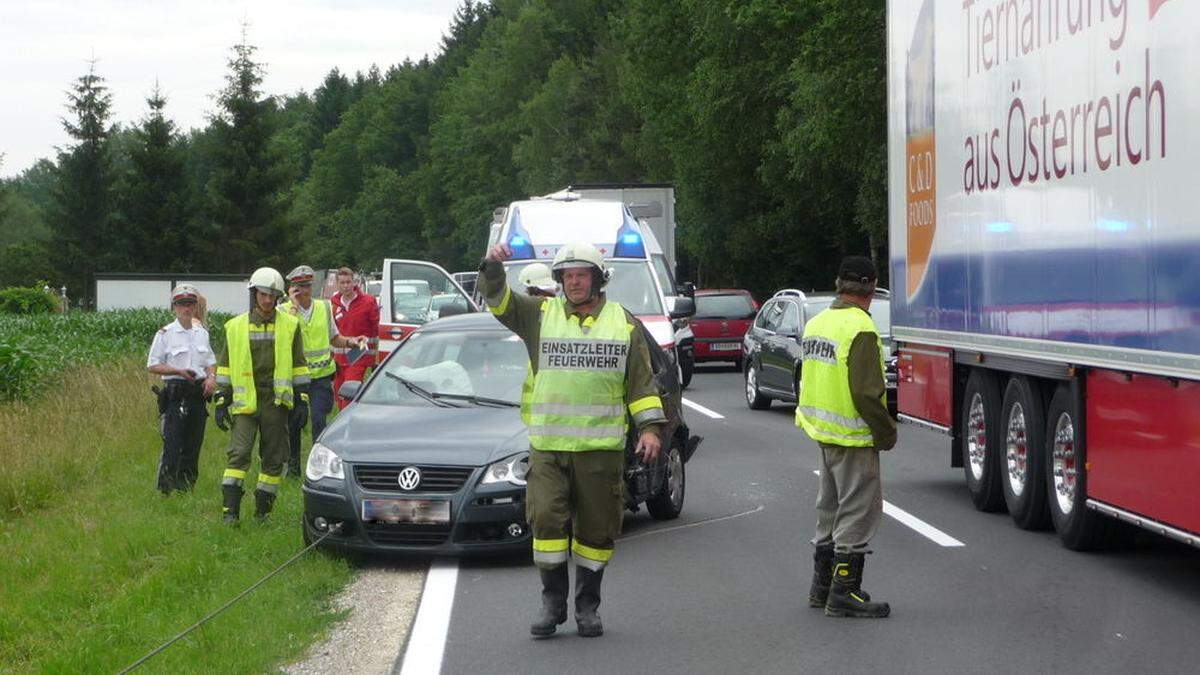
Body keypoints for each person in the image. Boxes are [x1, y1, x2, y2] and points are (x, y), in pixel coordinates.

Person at [479, 242, 667, 638]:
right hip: (548, 447)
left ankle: (587, 607)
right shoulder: (539, 314)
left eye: (581, 274)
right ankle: (552, 604)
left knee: (596, 533)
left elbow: (641, 384)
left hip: (600, 451)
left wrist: (650, 429)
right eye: (567, 275)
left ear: (598, 279)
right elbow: (497, 299)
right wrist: (492, 266)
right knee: (545, 520)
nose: (574, 282)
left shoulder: (623, 323)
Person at [795, 255, 897, 619]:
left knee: (830, 508)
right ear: (870, 288)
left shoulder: (818, 323)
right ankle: (844, 592)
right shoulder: (860, 328)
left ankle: (820, 587)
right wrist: (886, 432)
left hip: (823, 432)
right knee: (857, 511)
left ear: (840, 284)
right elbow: (867, 393)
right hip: (854, 436)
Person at [213, 268, 310, 523]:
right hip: (246, 402)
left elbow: (299, 366)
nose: (268, 300)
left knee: (274, 458)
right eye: (263, 294)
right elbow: (224, 367)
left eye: (273, 296)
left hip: (275, 402)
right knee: (239, 454)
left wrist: (302, 400)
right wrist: (222, 399)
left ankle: (262, 514)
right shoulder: (234, 327)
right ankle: (230, 513)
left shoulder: (290, 326)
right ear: (255, 293)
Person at [280, 265, 369, 477]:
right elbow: (284, 336)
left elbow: (334, 337)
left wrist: (351, 342)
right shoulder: (284, 311)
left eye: (308, 286)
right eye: (299, 287)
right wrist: (292, 305)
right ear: (292, 289)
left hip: (321, 377)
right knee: (295, 423)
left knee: (320, 421)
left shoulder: (324, 307)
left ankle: (318, 467)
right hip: (296, 379)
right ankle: (293, 468)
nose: (305, 290)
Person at [146, 284, 215, 494]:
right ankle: (166, 490)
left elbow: (210, 360)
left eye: (190, 304)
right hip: (176, 392)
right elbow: (152, 365)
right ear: (175, 307)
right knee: (173, 444)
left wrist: (212, 378)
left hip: (198, 393)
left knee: (193, 445)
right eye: (182, 304)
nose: (186, 308)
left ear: (195, 306)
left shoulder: (202, 332)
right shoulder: (165, 334)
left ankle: (186, 489)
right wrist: (177, 370)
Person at [331, 267, 380, 410]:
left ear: (354, 282)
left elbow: (376, 330)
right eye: (342, 283)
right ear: (337, 284)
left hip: (359, 355)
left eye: (348, 282)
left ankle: (349, 424)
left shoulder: (368, 302)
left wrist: (375, 358)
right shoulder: (333, 304)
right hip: (339, 359)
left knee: (349, 395)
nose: (346, 286)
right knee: (339, 396)